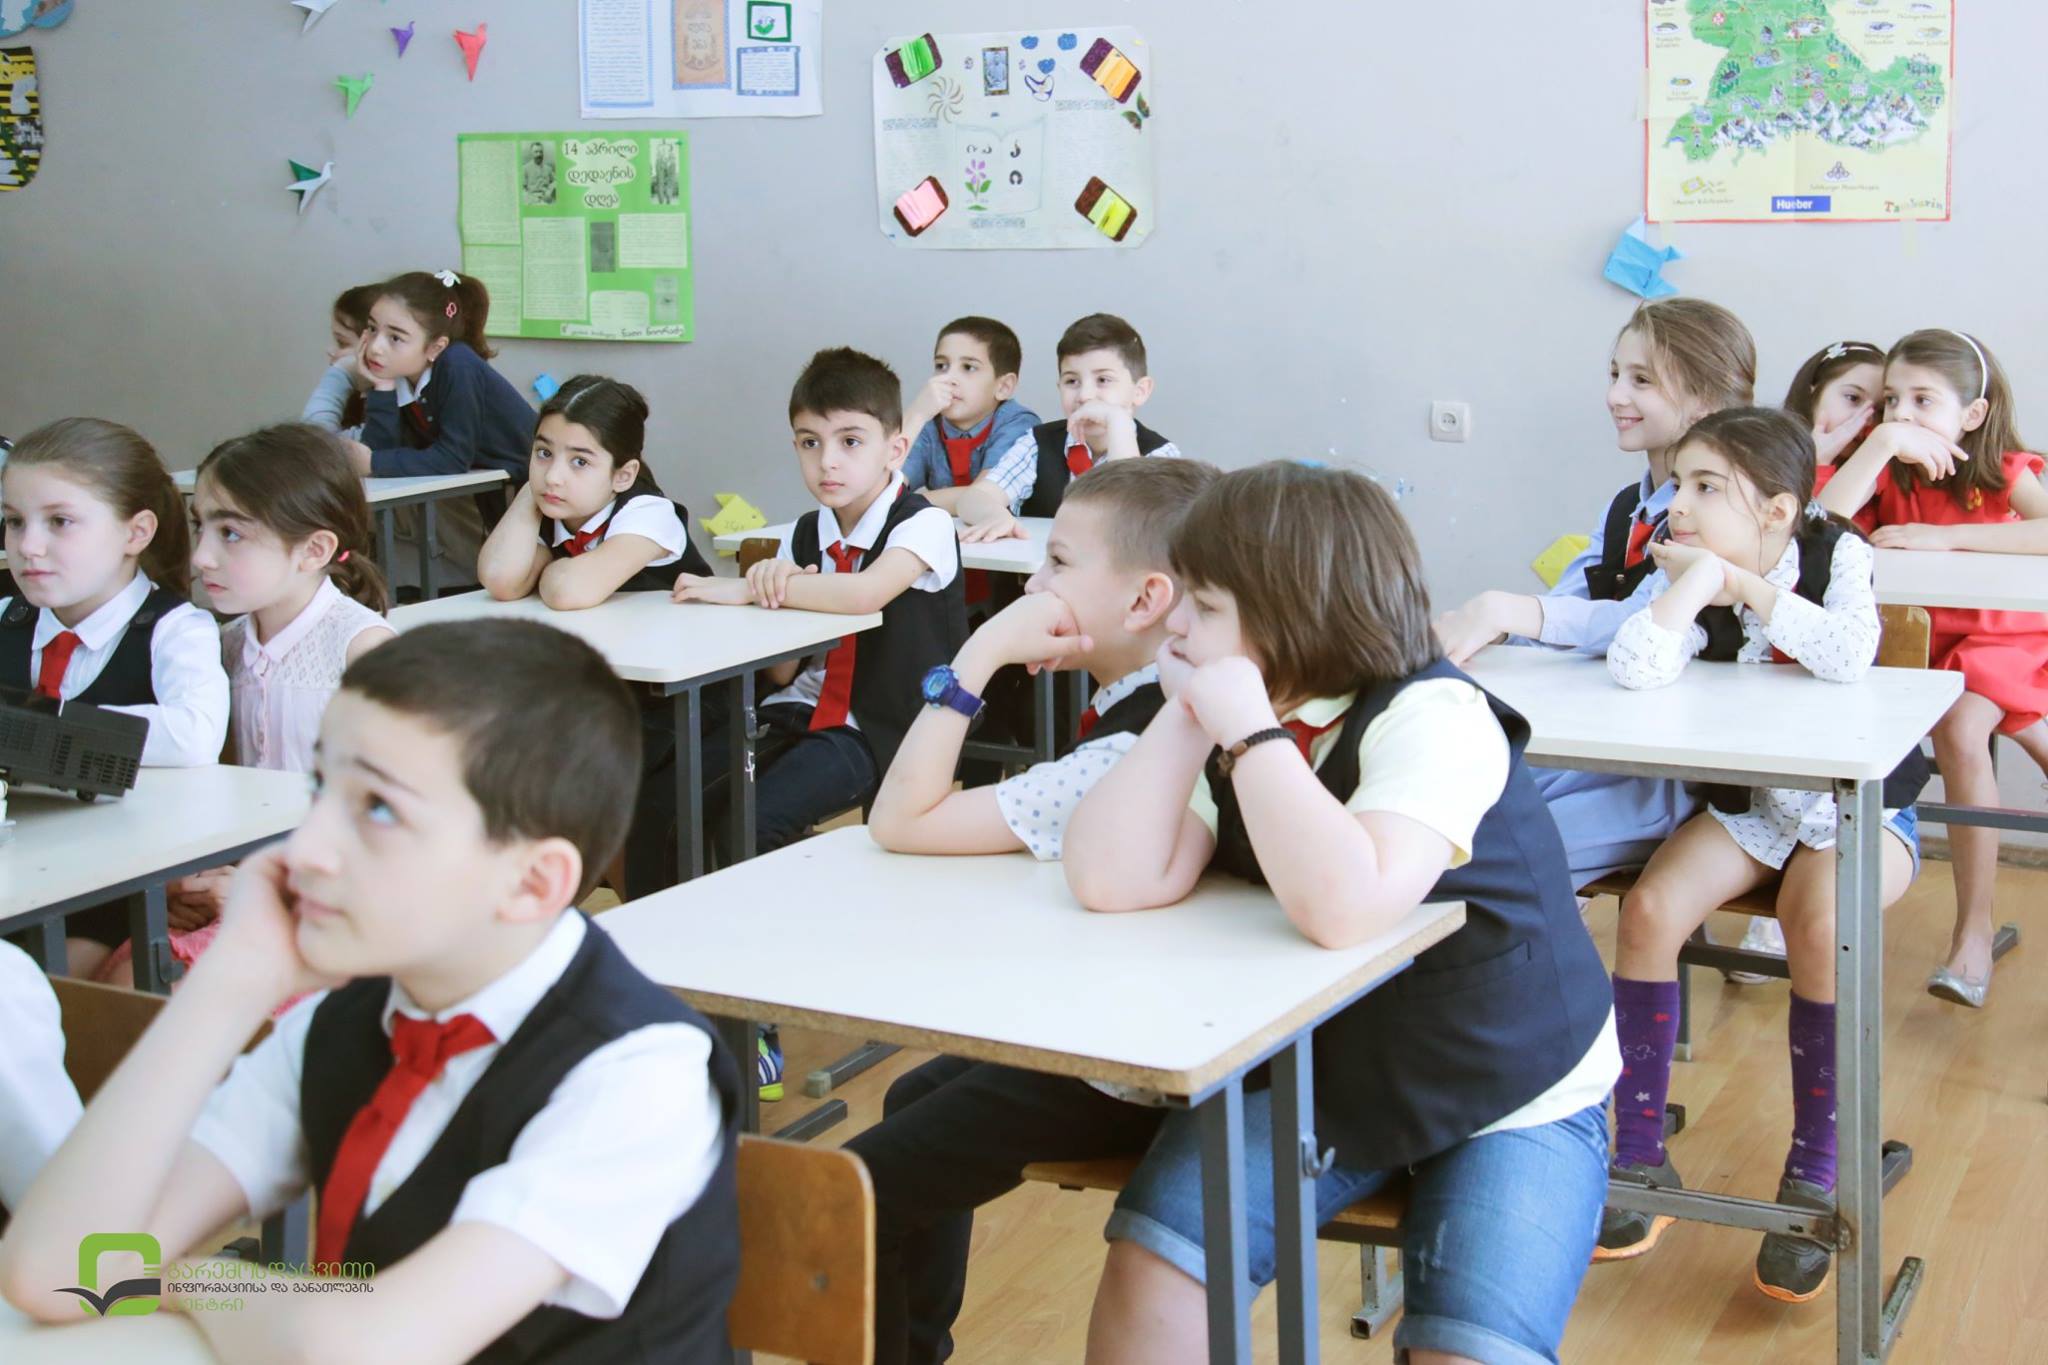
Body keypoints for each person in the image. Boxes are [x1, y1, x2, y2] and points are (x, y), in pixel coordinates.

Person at [0, 620, 744, 1364]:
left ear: (530, 882)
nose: (305, 847)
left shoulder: (638, 1073)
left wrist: (195, 1279)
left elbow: (358, 1349)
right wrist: (231, 983)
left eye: (379, 808)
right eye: (321, 789)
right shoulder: (346, 1020)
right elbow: (60, 1272)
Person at [1596, 407, 1923, 1299]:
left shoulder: (1836, 553)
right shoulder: (1686, 564)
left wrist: (1743, 586)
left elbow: (1848, 654)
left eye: (1706, 487)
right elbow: (1634, 667)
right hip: (1759, 809)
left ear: (1777, 510)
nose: (1679, 503)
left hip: (1855, 811)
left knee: (1817, 924)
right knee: (1649, 909)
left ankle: (1816, 1168)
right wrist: (1691, 588)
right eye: (1679, 483)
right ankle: (1639, 1155)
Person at [1434, 297, 1756, 889]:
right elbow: (1566, 606)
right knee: (1443, 821)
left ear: (1707, 402)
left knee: (1484, 863)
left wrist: (1509, 611)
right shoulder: (1629, 506)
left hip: (1674, 776)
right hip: (1607, 748)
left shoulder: (1724, 519)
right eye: (1614, 375)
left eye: (1642, 380)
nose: (1614, 395)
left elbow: (1643, 624)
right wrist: (1483, 628)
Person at [1818, 327, 2048, 1006]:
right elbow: (1820, 523)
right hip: (1925, 649)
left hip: (2005, 640)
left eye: (1924, 400)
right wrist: (1881, 443)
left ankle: (1973, 931)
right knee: (1947, 712)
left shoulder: (2002, 470)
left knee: (1961, 723)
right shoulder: (1889, 469)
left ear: (1971, 414)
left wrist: (1944, 538)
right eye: (1892, 400)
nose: (1903, 414)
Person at [478, 374, 712, 607]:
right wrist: (528, 493)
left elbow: (567, 591)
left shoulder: (649, 514)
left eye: (580, 462)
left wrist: (548, 568)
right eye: (544, 453)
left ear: (623, 476)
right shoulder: (551, 506)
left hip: (678, 629)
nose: (552, 477)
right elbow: (501, 581)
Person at [958, 313, 1184, 540]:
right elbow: (973, 499)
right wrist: (994, 515)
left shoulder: (1161, 455)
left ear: (1140, 391)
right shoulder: (1037, 442)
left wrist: (1119, 425)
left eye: (1103, 380)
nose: (1085, 395)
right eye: (1072, 381)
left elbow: (1129, 518)